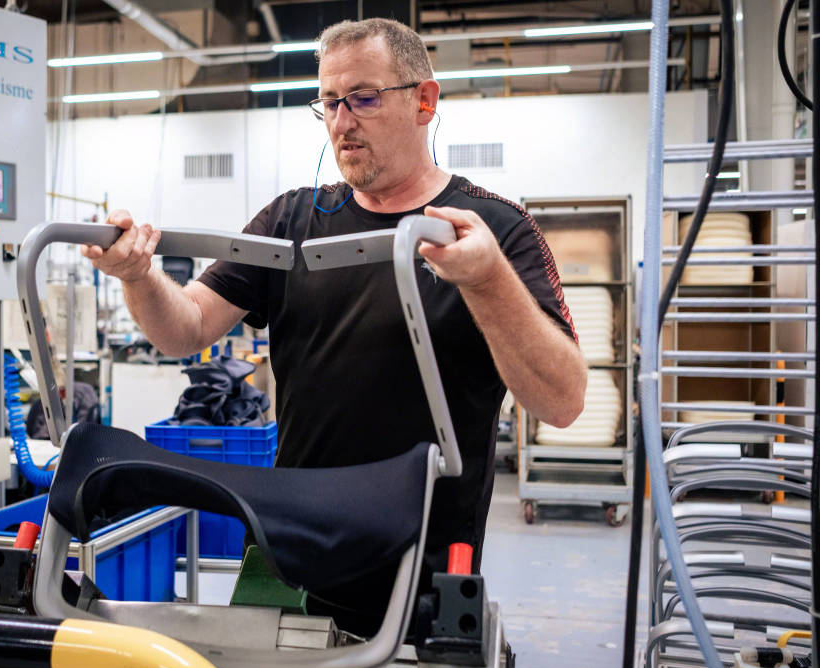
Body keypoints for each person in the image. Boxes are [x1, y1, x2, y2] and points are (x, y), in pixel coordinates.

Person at [83, 17, 587, 636]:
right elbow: (184, 328)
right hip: (291, 545)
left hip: (423, 556)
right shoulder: (291, 220)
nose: (342, 123)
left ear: (424, 101)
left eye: (364, 99)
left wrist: (486, 281)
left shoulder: (492, 230)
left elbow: (561, 402)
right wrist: (138, 277)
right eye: (328, 102)